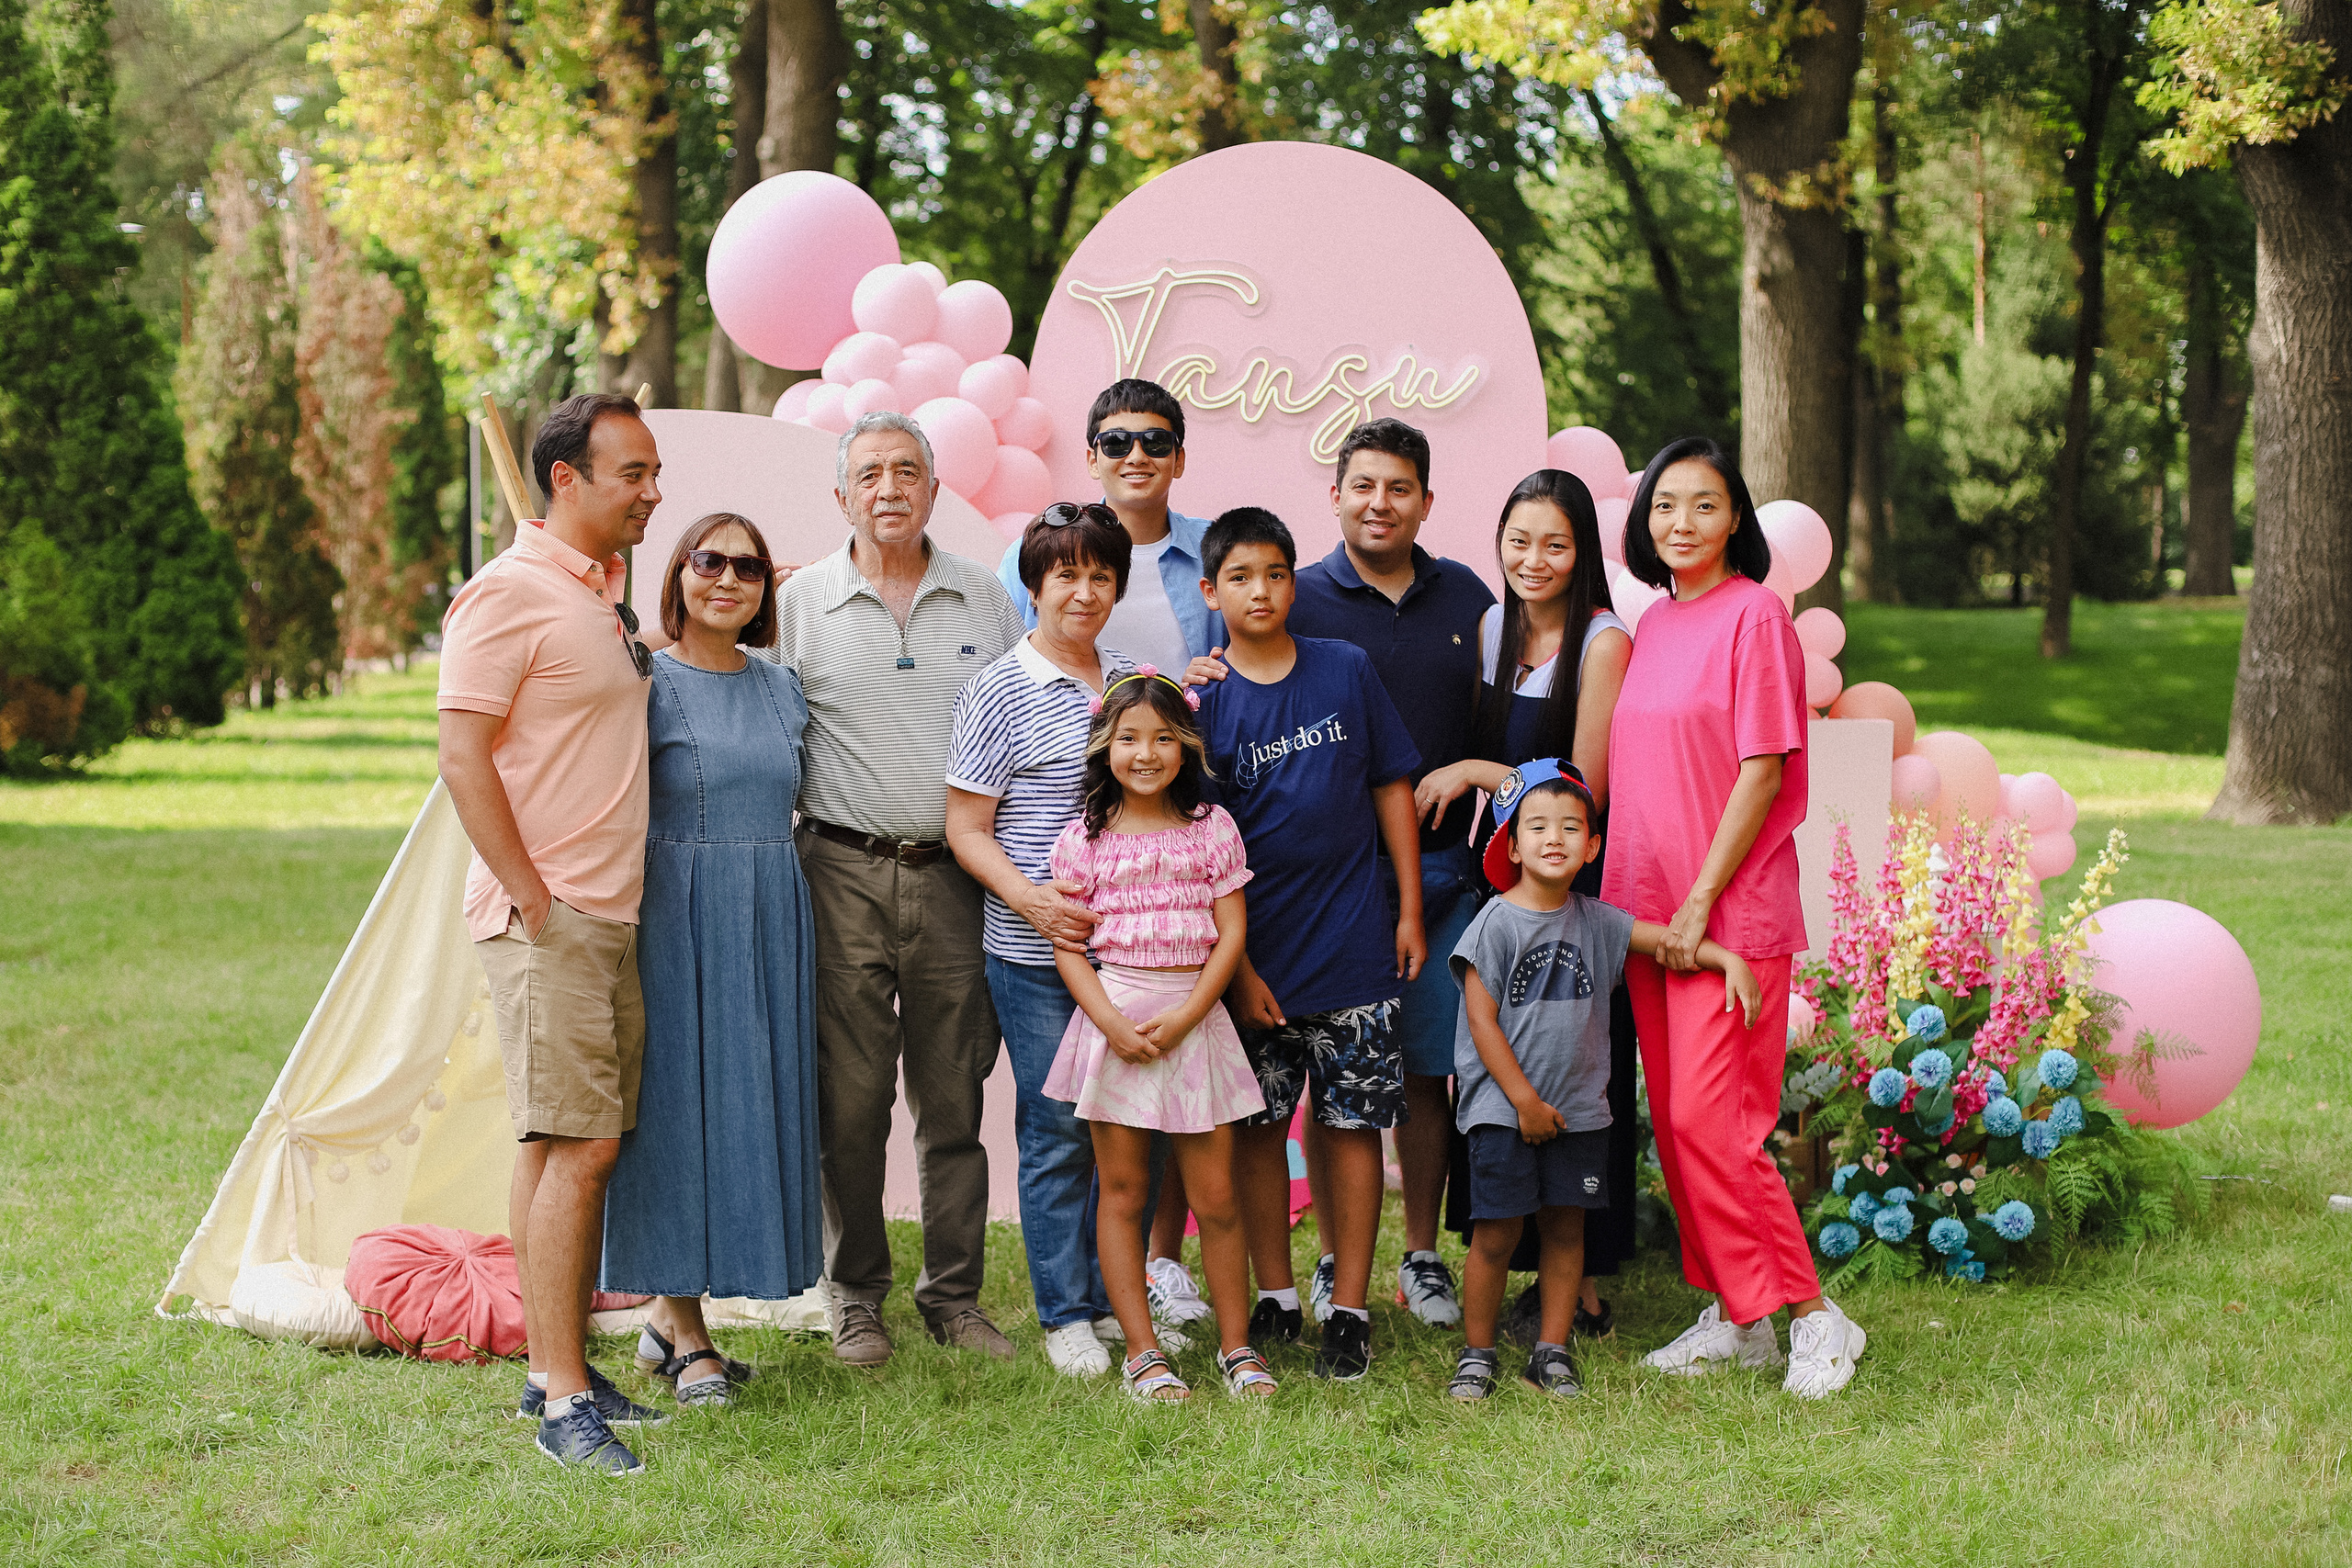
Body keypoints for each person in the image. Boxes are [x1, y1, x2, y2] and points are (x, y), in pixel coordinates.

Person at [758, 410, 1026, 1368]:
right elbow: (745, 707)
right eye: (869, 473)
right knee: (851, 1102)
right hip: (839, 872)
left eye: (907, 471)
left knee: (954, 1097)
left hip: (956, 875)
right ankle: (855, 1296)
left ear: (934, 490)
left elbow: (1025, 713)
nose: (889, 488)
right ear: (841, 496)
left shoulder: (984, 597)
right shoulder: (798, 602)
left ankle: (953, 1297)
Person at [1605, 435, 1868, 1398]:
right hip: (1646, 914)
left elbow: (1761, 770)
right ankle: (1737, 1312)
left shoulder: (1756, 614)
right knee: (1678, 1133)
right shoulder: (1654, 625)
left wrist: (1700, 903)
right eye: (1664, 505)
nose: (1681, 522)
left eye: (1704, 504)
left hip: (1726, 913)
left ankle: (1815, 1316)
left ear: (1735, 520)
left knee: (1717, 1124)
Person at [435, 390, 667, 1474]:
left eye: (655, 473)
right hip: (553, 916)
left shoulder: (597, 593)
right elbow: (461, 755)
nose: (653, 493)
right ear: (565, 478)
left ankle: (548, 1369)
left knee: (558, 1141)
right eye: (634, 474)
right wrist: (530, 893)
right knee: (582, 1146)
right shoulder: (505, 593)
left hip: (607, 911)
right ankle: (566, 1402)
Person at [1192, 506, 1424, 1382]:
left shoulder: (1345, 668)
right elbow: (1202, 848)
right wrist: (1239, 969)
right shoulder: (1203, 703)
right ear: (1210, 591)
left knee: (1352, 1126)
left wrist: (1407, 908)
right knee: (1258, 1131)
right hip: (1256, 963)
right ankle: (1278, 1294)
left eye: (1276, 573)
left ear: (1296, 582)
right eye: (1240, 577)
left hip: (1355, 945)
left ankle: (1350, 1308)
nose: (1260, 590)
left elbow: (1391, 785)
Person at [1443, 760, 1757, 1402]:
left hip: (1580, 1114)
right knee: (1497, 1234)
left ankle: (1551, 1352)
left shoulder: (1599, 921)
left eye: (1569, 827)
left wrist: (1724, 956)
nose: (1553, 837)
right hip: (1504, 1112)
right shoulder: (1494, 925)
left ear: (1591, 847)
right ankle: (1477, 1353)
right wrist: (1524, 1101)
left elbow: (1667, 944)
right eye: (1537, 826)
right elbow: (1480, 1022)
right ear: (1512, 846)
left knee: (1567, 1231)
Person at [601, 513, 819, 1408]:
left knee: (745, 1108)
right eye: (708, 561)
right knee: (677, 1114)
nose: (727, 579)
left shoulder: (784, 688)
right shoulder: (644, 681)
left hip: (770, 913)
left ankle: (665, 1320)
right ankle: (689, 1335)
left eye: (748, 567)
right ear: (678, 574)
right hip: (674, 915)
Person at [1412, 469, 1634, 1339]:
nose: (1533, 559)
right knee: (1495, 1067)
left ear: (1583, 552)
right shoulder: (1491, 627)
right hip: (1496, 889)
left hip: (1565, 888)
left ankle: (1582, 1282)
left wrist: (1474, 772)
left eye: (1555, 544)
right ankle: (1503, 1259)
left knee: (1573, 1066)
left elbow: (1582, 791)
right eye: (1518, 540)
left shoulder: (1604, 642)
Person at [1285, 416, 1494, 1331]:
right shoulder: (1295, 595)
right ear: (1335, 495)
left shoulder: (1468, 599)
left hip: (1441, 874)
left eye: (1398, 488)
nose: (1380, 503)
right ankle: (1337, 1254)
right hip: (1326, 883)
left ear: (1426, 501)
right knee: (1328, 1073)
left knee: (1424, 1070)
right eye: (1363, 486)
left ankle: (1420, 1255)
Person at [1042, 673, 1273, 1402]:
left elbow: (1230, 932)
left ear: (1187, 746)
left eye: (1163, 738)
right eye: (1129, 738)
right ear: (1104, 745)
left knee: (1217, 1195)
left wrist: (1191, 1013)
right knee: (1123, 1190)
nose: (1146, 753)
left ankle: (1238, 1348)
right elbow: (1069, 947)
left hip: (1195, 1020)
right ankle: (1143, 1353)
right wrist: (1111, 1024)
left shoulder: (1212, 827)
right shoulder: (1084, 838)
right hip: (1116, 1021)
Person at [944, 504, 1136, 1378]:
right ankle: (1067, 1313)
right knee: (1058, 1127)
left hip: (1133, 955)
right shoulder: (999, 688)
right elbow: (967, 828)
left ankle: (1118, 1298)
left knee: (1126, 1127)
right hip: (1034, 955)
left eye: (1101, 575)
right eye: (1066, 575)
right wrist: (1034, 903)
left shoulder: (1131, 681)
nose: (1084, 592)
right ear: (1034, 586)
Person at [996, 378, 1222, 672]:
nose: (1137, 457)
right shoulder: (1032, 552)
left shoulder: (1218, 550)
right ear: (1093, 460)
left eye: (1156, 442)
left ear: (1178, 460)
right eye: (1116, 443)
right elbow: (997, 660)